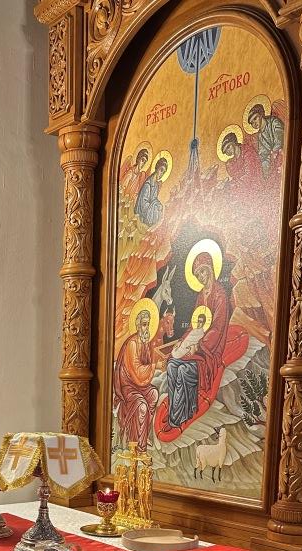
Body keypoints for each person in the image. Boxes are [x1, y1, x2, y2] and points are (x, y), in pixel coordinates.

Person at [166, 252, 230, 429]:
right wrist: (182, 340)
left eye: (202, 271)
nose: (201, 277)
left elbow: (217, 328)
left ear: (210, 269)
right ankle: (175, 411)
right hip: (197, 343)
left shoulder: (220, 295)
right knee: (171, 364)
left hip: (211, 349)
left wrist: (199, 346)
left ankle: (181, 415)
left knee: (184, 369)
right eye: (197, 274)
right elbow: (194, 324)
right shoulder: (201, 296)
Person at [113, 308, 160, 449]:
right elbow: (137, 371)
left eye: (148, 324)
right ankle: (137, 443)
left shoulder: (144, 342)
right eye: (144, 324)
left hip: (140, 385)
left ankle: (143, 435)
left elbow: (144, 367)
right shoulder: (132, 344)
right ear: (138, 325)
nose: (146, 327)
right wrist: (155, 366)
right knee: (141, 405)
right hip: (128, 385)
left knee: (154, 394)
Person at [247, 104, 284, 177]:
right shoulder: (260, 136)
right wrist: (265, 172)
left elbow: (280, 140)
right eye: (252, 123)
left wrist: (274, 153)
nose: (254, 123)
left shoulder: (274, 122)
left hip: (283, 153)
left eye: (255, 118)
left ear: (261, 115)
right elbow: (263, 155)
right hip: (273, 160)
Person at [134, 156, 169, 226]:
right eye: (161, 170)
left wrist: (158, 204)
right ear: (157, 168)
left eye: (163, 172)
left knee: (158, 209)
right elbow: (143, 203)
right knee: (156, 210)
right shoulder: (148, 184)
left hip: (148, 209)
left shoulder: (155, 185)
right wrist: (153, 206)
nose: (162, 174)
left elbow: (154, 199)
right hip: (141, 211)